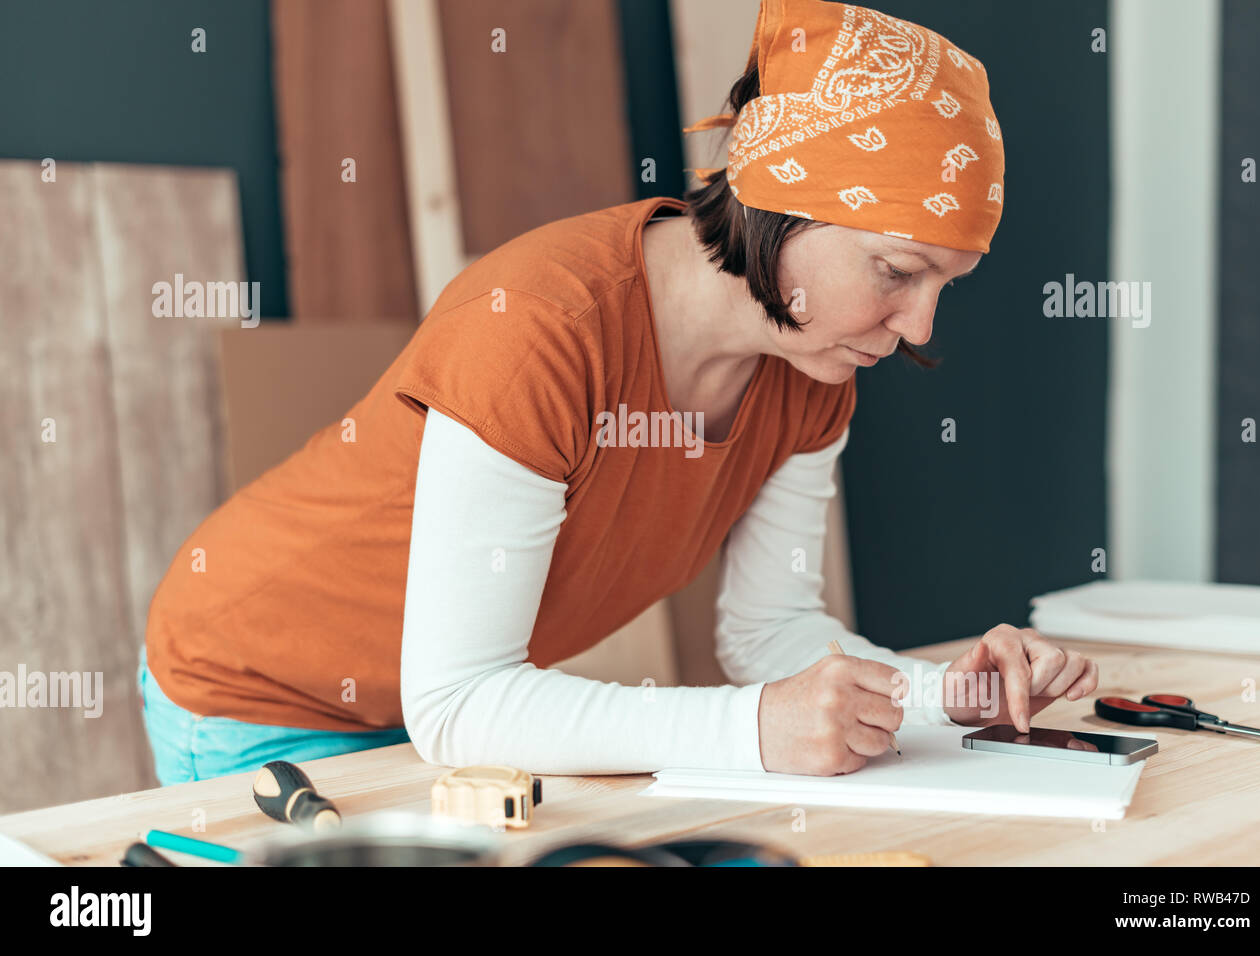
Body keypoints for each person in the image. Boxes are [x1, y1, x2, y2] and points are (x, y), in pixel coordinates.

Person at [140, 0, 1097, 785]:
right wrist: (756, 730)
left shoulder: (816, 371)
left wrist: (942, 694)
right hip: (258, 695)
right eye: (896, 269)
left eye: (945, 287)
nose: (922, 326)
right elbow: (461, 702)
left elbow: (769, 633)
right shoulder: (538, 329)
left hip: (427, 714)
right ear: (779, 203)